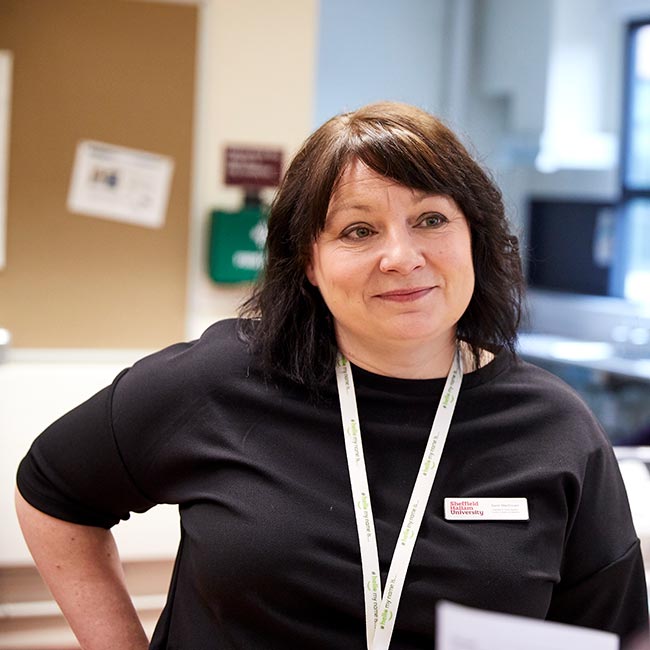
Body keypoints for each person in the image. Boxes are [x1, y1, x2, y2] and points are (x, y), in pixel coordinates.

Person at [15, 102, 648, 650]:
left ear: (474, 240)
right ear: (310, 264)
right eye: (358, 230)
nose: (402, 257)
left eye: (431, 219)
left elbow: (608, 634)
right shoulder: (216, 381)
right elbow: (52, 492)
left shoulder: (556, 429)